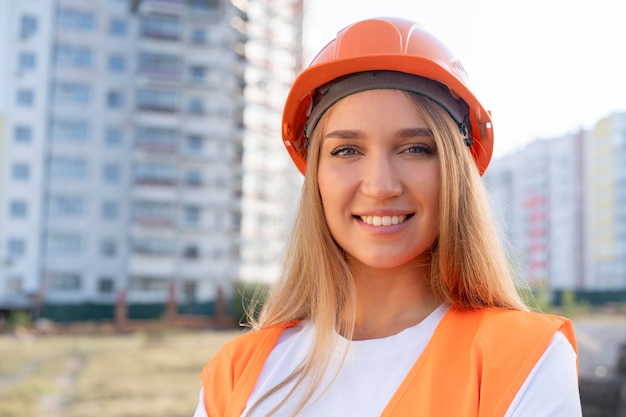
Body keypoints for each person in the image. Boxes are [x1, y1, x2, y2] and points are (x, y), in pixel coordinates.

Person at [193, 17, 582, 417]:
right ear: (316, 178)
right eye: (346, 151)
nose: (380, 186)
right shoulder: (236, 373)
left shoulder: (523, 360)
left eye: (415, 148)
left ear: (455, 171)